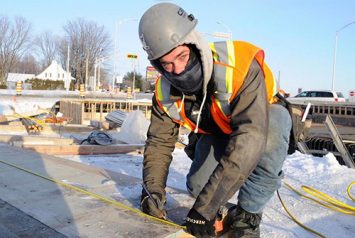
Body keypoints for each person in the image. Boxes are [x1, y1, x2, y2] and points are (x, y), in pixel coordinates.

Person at [138, 3, 292, 238]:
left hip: (260, 128)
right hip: (220, 132)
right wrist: (153, 192)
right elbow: (159, 143)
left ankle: (247, 217)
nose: (177, 70)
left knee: (274, 125)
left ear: (195, 44)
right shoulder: (163, 91)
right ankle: (225, 200)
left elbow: (250, 137)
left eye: (182, 56)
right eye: (166, 64)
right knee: (198, 187)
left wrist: (204, 210)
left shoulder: (239, 66)